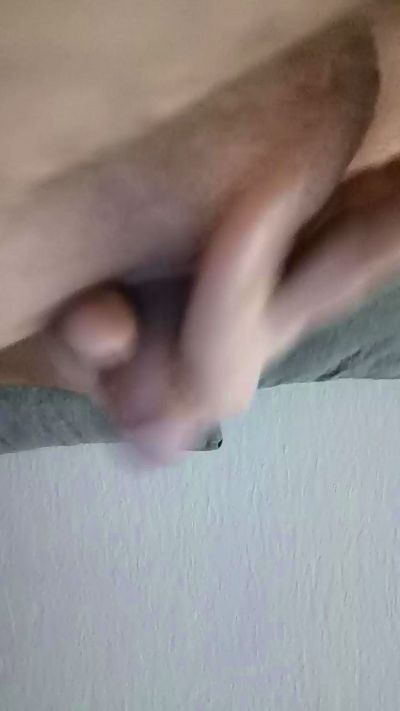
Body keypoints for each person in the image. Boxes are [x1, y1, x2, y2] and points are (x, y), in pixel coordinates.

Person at [0, 1, 399, 460]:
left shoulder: (124, 358)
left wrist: (96, 353)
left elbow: (94, 323)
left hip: (211, 237)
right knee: (236, 355)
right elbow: (340, 265)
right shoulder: (228, 372)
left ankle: (266, 207)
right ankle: (268, 204)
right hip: (280, 179)